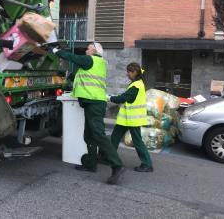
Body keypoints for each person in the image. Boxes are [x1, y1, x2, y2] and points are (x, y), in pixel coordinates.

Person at [51, 42, 126, 185]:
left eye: (88, 47)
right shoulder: (96, 63)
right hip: (92, 103)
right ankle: (91, 164)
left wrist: (56, 51)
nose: (86, 49)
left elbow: (71, 57)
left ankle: (117, 166)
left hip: (95, 104)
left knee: (98, 135)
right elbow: (79, 78)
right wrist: (66, 75)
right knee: (89, 135)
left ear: (95, 50)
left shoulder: (90, 60)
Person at [109, 62, 153, 172]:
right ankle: (108, 156)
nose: (127, 74)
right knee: (114, 137)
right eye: (127, 71)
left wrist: (109, 98)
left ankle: (147, 164)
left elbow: (123, 98)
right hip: (127, 119)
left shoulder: (136, 85)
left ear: (135, 72)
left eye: (129, 72)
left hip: (132, 119)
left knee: (137, 141)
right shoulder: (137, 83)